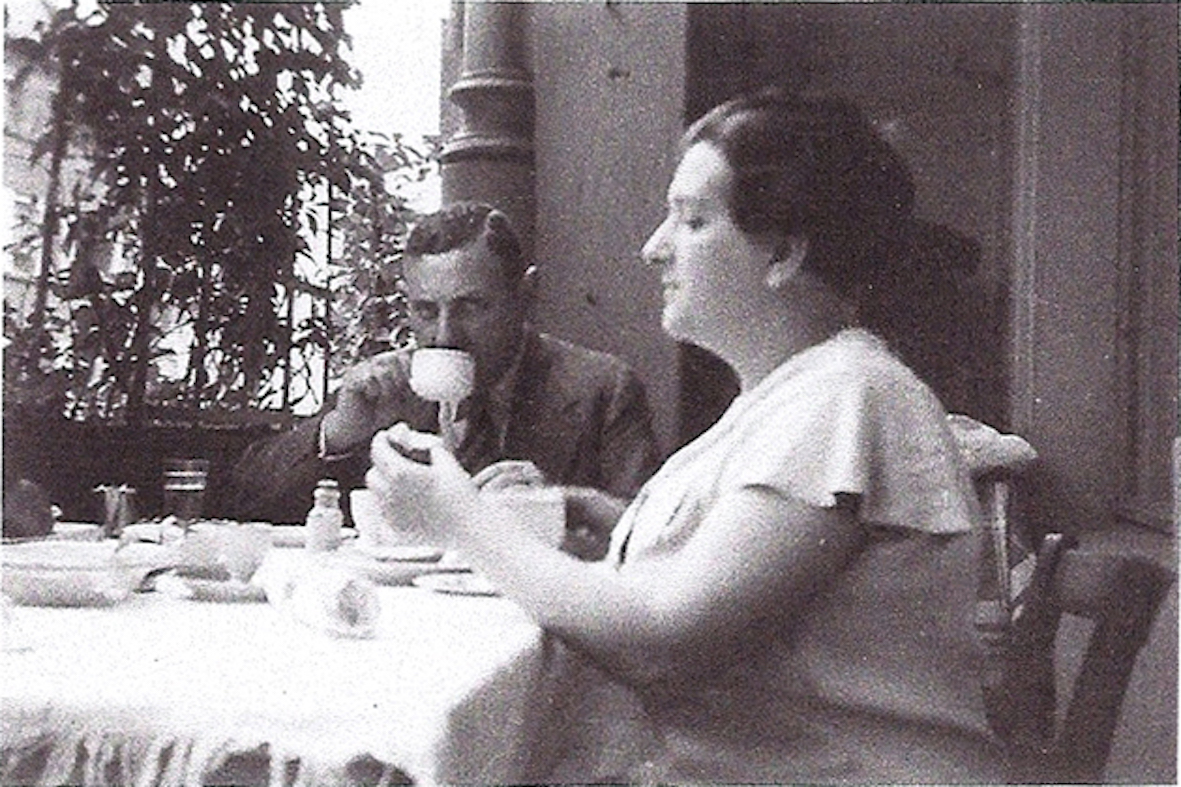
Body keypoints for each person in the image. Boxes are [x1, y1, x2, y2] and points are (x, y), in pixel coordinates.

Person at [366, 88, 1007, 784]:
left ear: (783, 253)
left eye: (691, 221)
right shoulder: (797, 395)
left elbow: (661, 644)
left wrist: (459, 522)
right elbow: (756, 577)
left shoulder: (846, 396)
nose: (653, 249)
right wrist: (604, 518)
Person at [228, 202, 661, 559]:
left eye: (471, 307)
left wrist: (552, 506)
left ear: (525, 296)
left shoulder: (601, 388)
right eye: (426, 311)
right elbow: (245, 502)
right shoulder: (389, 388)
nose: (444, 335)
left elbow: (653, 540)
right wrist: (340, 432)